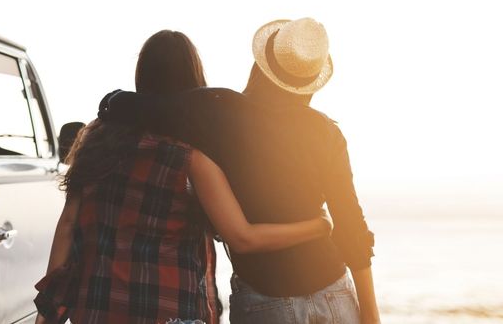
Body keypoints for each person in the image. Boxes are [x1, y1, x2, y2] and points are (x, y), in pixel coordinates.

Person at [34, 30, 332, 324]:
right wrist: (318, 226)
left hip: (99, 307)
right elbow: (242, 237)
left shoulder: (95, 138)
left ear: (142, 76)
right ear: (194, 80)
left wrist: (47, 314)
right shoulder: (192, 156)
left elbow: (69, 224)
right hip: (170, 309)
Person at [99, 18, 380, 323]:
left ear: (260, 65)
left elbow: (116, 105)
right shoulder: (327, 133)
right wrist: (371, 314)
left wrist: (114, 100)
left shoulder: (220, 111)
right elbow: (352, 228)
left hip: (266, 299)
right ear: (308, 84)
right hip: (333, 291)